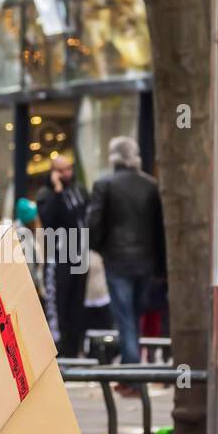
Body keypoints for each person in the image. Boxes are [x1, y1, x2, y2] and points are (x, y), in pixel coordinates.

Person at [87, 136, 164, 374]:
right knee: (135, 314)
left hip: (117, 260)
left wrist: (101, 248)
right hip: (145, 262)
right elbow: (160, 228)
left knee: (125, 317)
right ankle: (133, 368)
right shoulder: (151, 186)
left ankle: (131, 371)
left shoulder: (104, 185)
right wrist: (160, 265)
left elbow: (93, 223)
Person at [36, 155, 90, 357]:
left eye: (69, 169)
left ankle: (75, 349)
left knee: (77, 304)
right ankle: (61, 350)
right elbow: (48, 221)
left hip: (80, 255)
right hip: (60, 257)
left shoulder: (79, 190)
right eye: (62, 170)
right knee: (60, 304)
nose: (67, 173)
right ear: (54, 172)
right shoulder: (46, 194)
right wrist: (57, 191)